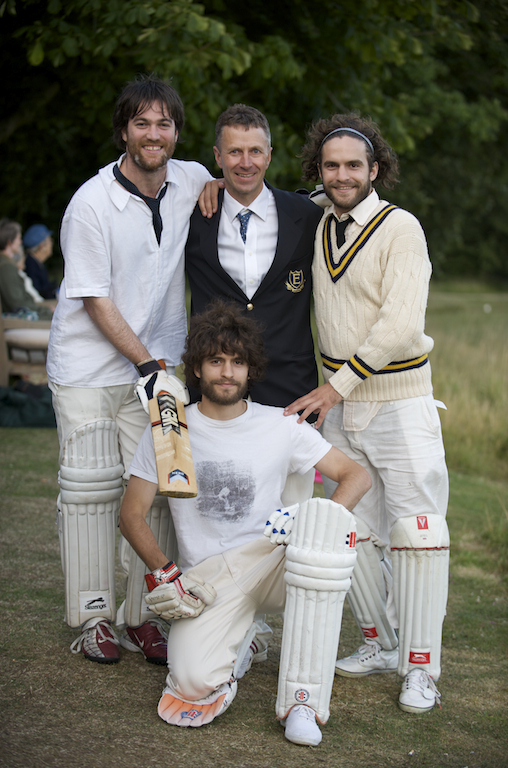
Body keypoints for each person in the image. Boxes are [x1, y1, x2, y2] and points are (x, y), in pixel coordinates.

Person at [119, 301, 371, 745]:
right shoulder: (169, 431)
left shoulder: (280, 425)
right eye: (216, 361)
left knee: (319, 539)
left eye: (237, 362)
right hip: (208, 580)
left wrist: (318, 518)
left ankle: (302, 703)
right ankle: (244, 643)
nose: (227, 372)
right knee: (192, 685)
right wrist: (166, 572)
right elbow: (132, 513)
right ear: (196, 367)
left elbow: (357, 475)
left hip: (275, 561)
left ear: (251, 370)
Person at [284, 114, 450, 714]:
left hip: (398, 402)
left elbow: (401, 324)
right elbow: (261, 204)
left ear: (375, 168)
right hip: (341, 408)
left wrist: (337, 387)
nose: (342, 175)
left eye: (354, 165)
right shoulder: (319, 216)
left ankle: (422, 667)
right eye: (331, 165)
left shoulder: (400, 227)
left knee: (416, 533)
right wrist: (218, 187)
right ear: (318, 170)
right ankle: (379, 643)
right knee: (354, 529)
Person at [46, 75, 213, 665]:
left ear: (175, 132)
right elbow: (94, 297)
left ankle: (145, 616)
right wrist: (146, 363)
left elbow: (243, 187)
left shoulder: (191, 179)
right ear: (124, 131)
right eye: (141, 123)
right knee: (91, 494)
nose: (153, 134)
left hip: (157, 368)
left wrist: (323, 199)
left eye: (163, 123)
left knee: (163, 491)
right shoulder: (91, 203)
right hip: (92, 370)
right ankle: (93, 619)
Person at [186, 104, 323, 505]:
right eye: (234, 152)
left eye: (255, 151)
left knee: (294, 506)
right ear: (217, 157)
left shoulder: (306, 214)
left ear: (269, 154)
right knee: (219, 501)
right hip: (216, 384)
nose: (245, 163)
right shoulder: (192, 215)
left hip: (289, 387)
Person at [0, 218, 53, 320]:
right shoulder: (6, 267)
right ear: (9, 242)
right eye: (18, 238)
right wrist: (45, 311)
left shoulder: (6, 265)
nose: (21, 242)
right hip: (21, 320)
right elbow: (17, 303)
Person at [22, 224, 59, 299]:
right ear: (42, 246)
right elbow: (39, 293)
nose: (52, 243)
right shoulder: (31, 265)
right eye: (50, 240)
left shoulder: (36, 263)